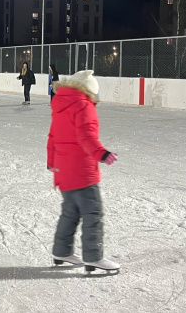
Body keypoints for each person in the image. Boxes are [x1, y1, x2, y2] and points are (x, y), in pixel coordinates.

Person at [47, 70, 120, 272]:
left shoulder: (61, 104)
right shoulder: (83, 105)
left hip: (63, 170)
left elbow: (53, 136)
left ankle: (61, 251)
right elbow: (86, 137)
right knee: (92, 213)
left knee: (70, 213)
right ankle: (93, 257)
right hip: (81, 171)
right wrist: (102, 154)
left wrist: (51, 162)